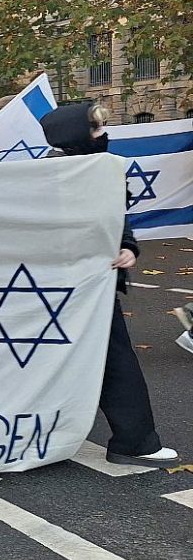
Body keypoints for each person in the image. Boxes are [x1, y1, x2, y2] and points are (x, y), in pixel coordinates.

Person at [40, 102, 180, 467]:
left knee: (97, 360)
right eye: (96, 131)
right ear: (76, 137)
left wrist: (127, 247)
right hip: (68, 286)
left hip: (87, 285)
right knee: (113, 362)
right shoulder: (44, 177)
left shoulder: (103, 171)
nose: (105, 136)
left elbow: (115, 217)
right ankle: (133, 440)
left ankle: (132, 439)